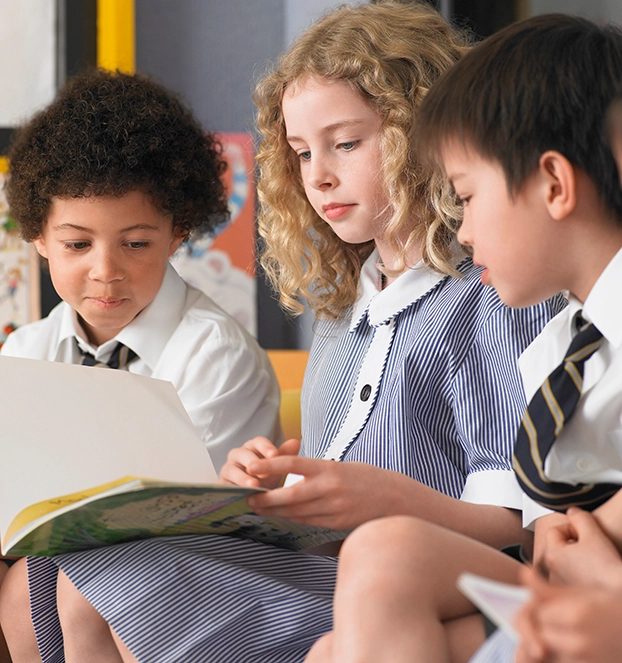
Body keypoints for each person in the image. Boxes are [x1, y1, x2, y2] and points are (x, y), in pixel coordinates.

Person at [1, 4, 564, 662]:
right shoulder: (343, 312)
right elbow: (322, 500)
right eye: (300, 153)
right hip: (329, 568)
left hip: (423, 578)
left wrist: (380, 499)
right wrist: (264, 489)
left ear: (424, 131)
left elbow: (517, 522)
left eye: (345, 144)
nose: (318, 174)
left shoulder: (493, 293)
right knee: (84, 579)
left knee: (113, 582)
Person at [305, 13, 622, 663]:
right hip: (555, 582)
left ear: (555, 185)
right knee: (362, 592)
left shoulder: (519, 324)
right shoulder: (560, 343)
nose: (465, 229)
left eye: (467, 196)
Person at [0, 68, 281, 662]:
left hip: (197, 576)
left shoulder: (214, 353)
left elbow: (188, 519)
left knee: (42, 583)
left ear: (178, 232)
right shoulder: (24, 354)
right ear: (39, 237)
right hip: (54, 574)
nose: (106, 271)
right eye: (78, 244)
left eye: (135, 243)